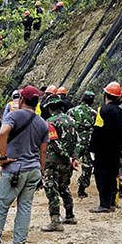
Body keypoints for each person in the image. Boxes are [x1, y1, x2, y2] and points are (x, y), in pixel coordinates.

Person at [0, 85, 49, 244]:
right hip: (33, 169)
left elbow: (2, 133)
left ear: (22, 99)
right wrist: (42, 172)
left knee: (2, 204)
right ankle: (19, 243)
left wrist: (3, 158)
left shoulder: (14, 116)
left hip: (14, 169)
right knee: (25, 206)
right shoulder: (42, 123)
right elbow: (43, 150)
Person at [40, 94, 81, 232]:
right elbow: (78, 142)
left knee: (51, 189)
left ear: (50, 108)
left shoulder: (50, 122)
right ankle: (70, 214)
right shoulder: (72, 120)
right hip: (67, 163)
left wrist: (66, 157)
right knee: (64, 187)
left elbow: (54, 143)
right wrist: (74, 158)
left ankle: (55, 221)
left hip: (54, 161)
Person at [88, 81, 122, 212]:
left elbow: (97, 130)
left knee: (101, 176)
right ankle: (111, 203)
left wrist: (92, 149)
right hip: (116, 150)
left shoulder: (102, 110)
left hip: (103, 150)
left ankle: (103, 205)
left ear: (106, 95)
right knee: (112, 175)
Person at [68, 91, 98, 198]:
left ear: (82, 99)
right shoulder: (94, 113)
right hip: (89, 143)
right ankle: (82, 189)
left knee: (70, 163)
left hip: (75, 142)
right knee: (87, 166)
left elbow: (68, 127)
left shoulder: (72, 111)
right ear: (92, 101)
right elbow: (97, 129)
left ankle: (64, 185)